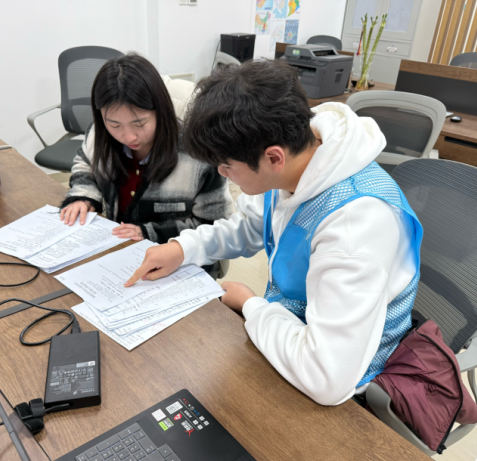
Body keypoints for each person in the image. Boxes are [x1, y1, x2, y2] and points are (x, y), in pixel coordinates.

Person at [125, 60, 423, 406]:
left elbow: (327, 378)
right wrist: (184, 248)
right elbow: (253, 226)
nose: (222, 174)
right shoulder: (296, 156)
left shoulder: (355, 225)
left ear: (274, 158)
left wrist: (250, 305)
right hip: (289, 330)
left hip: (350, 385)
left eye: (227, 166)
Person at [59, 53, 233, 254]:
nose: (129, 136)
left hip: (177, 260)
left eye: (139, 123)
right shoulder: (100, 135)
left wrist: (150, 233)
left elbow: (215, 226)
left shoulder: (198, 154)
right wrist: (83, 196)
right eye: (115, 125)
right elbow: (85, 163)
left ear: (160, 110)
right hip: (119, 252)